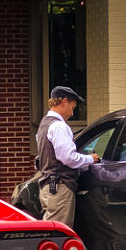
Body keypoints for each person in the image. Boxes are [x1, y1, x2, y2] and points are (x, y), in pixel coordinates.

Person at [37, 86, 99, 228]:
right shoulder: (59, 126)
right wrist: (91, 159)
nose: (72, 113)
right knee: (58, 232)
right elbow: (68, 158)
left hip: (48, 186)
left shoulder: (44, 124)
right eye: (72, 107)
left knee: (49, 229)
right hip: (60, 187)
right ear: (64, 101)